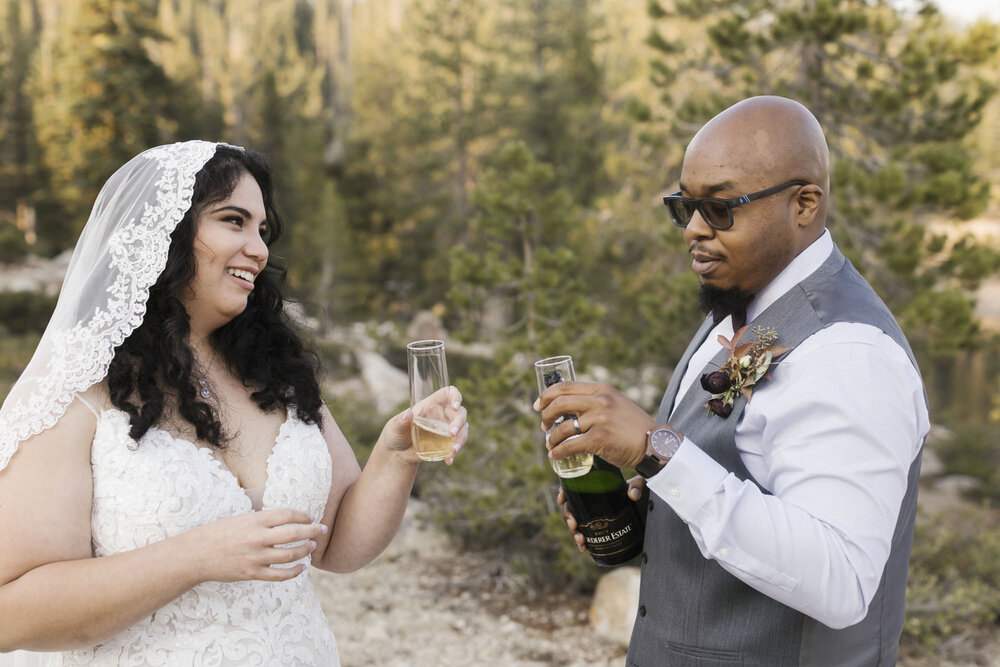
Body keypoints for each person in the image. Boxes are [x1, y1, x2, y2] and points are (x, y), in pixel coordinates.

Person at [0, 141, 469, 666]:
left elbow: (336, 546)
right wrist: (195, 557)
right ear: (169, 231)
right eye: (234, 221)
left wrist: (396, 454)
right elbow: (10, 612)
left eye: (262, 230)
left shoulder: (275, 372)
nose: (259, 249)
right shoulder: (75, 391)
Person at [536, 96, 928, 665]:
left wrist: (658, 450)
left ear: (804, 204)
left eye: (720, 208)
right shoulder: (740, 301)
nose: (693, 229)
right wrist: (650, 515)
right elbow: (741, 485)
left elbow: (842, 581)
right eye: (684, 206)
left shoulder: (850, 353)